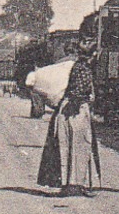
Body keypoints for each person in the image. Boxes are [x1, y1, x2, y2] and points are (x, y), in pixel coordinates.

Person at [36, 35, 100, 196]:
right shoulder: (83, 69)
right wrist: (89, 98)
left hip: (67, 107)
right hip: (75, 109)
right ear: (92, 55)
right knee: (79, 144)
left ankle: (69, 183)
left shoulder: (76, 66)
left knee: (67, 144)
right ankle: (74, 184)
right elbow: (79, 92)